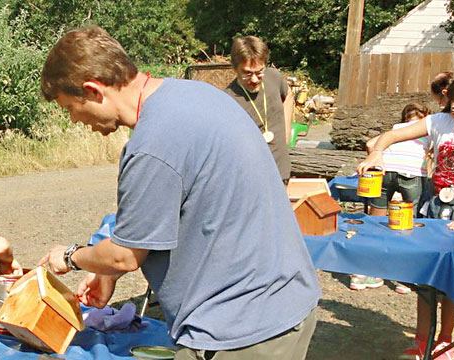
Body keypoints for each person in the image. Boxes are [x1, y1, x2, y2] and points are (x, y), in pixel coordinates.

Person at [36, 26, 321, 359]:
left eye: (69, 107)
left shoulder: (151, 145)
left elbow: (124, 256)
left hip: (241, 329)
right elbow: (170, 215)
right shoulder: (195, 95)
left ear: (93, 90)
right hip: (287, 304)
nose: (73, 120)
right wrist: (107, 271)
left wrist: (71, 256)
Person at [359, 69, 454, 359]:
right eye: (451, 99)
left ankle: (444, 341)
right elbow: (390, 135)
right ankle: (422, 340)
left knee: (451, 282)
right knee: (427, 279)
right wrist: (376, 151)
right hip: (435, 208)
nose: (453, 106)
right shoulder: (440, 121)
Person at [350, 103, 432, 294]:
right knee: (408, 223)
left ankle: (363, 273)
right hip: (411, 173)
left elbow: (370, 144)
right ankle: (404, 278)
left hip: (385, 170)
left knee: (376, 219)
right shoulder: (426, 130)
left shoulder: (394, 131)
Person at [223, 35, 294, 183]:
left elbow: (288, 96)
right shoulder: (228, 99)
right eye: (247, 73)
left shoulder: (274, 76)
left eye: (259, 72)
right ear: (235, 68)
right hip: (251, 176)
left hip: (280, 169)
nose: (254, 79)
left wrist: (286, 133)